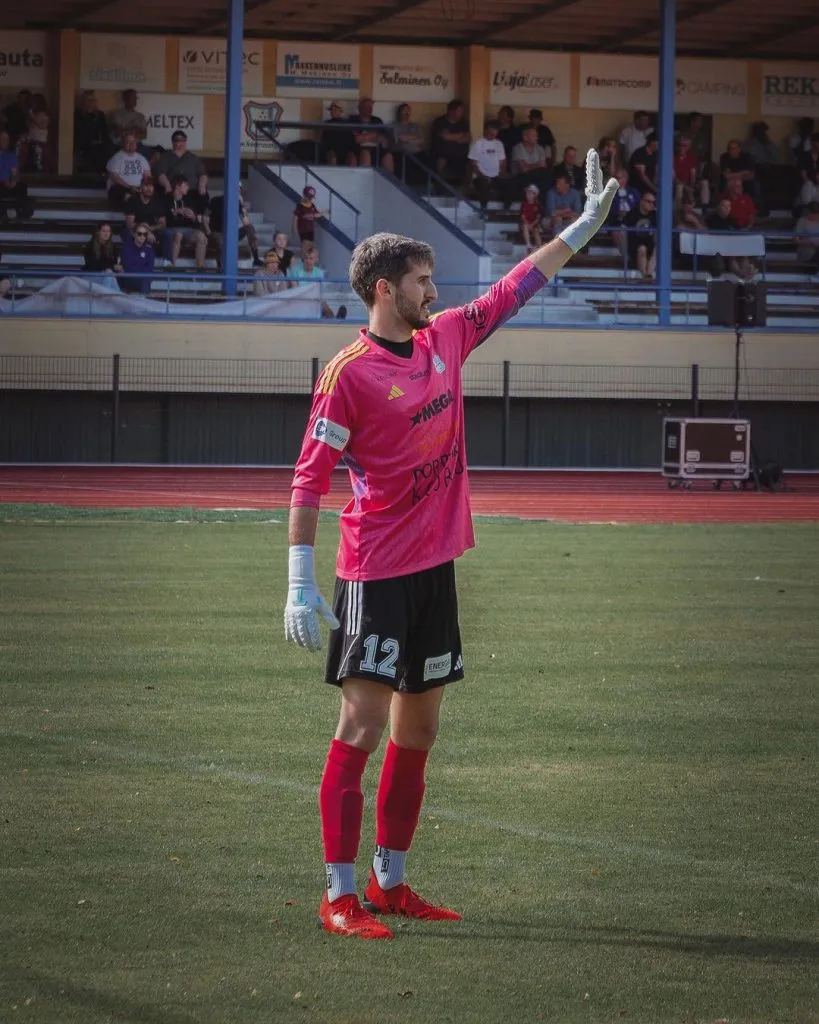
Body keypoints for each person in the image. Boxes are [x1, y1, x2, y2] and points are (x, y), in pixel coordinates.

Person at [283, 149, 618, 941]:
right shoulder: (349, 373)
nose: (437, 294)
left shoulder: (448, 339)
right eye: (423, 283)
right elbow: (307, 480)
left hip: (435, 570)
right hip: (373, 572)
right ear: (383, 290)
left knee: (418, 732)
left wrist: (580, 228)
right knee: (359, 729)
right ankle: (337, 897)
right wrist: (300, 581)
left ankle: (390, 882)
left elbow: (516, 285)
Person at [205, 185, 262, 267]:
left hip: (231, 234)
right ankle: (220, 266)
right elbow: (205, 216)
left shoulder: (237, 203)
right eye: (236, 191)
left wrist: (242, 206)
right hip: (217, 232)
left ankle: (256, 259)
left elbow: (246, 223)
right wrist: (208, 233)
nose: (238, 193)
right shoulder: (215, 200)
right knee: (221, 241)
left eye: (239, 191)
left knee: (250, 228)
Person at [162, 175, 207, 268]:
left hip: (188, 230)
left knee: (202, 237)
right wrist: (176, 212)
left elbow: (196, 225)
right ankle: (171, 267)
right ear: (178, 186)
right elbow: (163, 221)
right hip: (172, 230)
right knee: (178, 235)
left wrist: (193, 217)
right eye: (185, 185)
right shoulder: (166, 199)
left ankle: (200, 268)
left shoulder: (189, 200)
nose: (188, 187)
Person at [289, 245, 346, 319]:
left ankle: (336, 320)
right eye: (306, 258)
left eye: (311, 258)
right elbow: (295, 289)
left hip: (314, 298)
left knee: (324, 304)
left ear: (316, 260)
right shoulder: (295, 270)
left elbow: (320, 290)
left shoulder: (319, 272)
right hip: (300, 299)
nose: (308, 261)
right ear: (303, 259)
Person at [467, 119, 507, 212]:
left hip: (495, 176)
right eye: (490, 130)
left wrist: (502, 173)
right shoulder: (478, 143)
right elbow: (473, 164)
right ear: (485, 130)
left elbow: (503, 162)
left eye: (495, 130)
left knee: (510, 183)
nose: (492, 133)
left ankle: (506, 208)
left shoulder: (499, 144)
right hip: (480, 176)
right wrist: (482, 175)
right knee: (484, 185)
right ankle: (483, 209)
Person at [106, 132, 151, 208]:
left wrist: (144, 187)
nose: (131, 144)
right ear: (123, 143)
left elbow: (148, 176)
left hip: (139, 189)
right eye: (128, 142)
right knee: (118, 190)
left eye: (133, 142)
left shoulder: (141, 159)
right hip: (123, 188)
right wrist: (130, 187)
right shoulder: (116, 158)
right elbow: (115, 177)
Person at [430, 100, 470, 181]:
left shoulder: (463, 122)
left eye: (462, 111)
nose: (461, 113)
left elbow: (467, 138)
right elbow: (445, 137)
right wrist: (460, 137)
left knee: (471, 161)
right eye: (459, 111)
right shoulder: (440, 121)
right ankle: (439, 184)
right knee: (441, 159)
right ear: (451, 111)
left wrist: (452, 137)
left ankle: (465, 189)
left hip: (460, 154)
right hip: (443, 153)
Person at [74, 91, 109, 175]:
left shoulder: (100, 115)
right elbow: (79, 131)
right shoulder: (77, 115)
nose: (91, 102)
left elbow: (104, 131)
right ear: (82, 102)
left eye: (93, 100)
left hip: (97, 144)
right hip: (83, 144)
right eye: (88, 100)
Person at [623, 191, 657, 279]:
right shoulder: (632, 214)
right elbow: (622, 228)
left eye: (653, 202)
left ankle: (647, 275)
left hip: (650, 243)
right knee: (642, 248)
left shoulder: (655, 215)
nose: (651, 204)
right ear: (642, 201)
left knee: (659, 249)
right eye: (649, 202)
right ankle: (646, 276)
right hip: (635, 245)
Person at [0, 130, 32, 222]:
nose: (4, 141)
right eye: (2, 139)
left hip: (8, 183)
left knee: (22, 187)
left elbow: (14, 172)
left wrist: (12, 183)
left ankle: (20, 212)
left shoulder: (11, 155)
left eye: (6, 139)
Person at [119, 222, 156, 294]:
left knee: (146, 279)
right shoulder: (126, 249)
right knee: (145, 279)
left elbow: (149, 269)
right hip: (128, 278)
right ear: (134, 234)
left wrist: (137, 268)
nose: (142, 236)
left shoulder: (149, 250)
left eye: (145, 234)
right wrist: (141, 268)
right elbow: (127, 267)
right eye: (139, 234)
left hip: (142, 279)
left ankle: (143, 303)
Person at [83, 222, 122, 289]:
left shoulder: (112, 246)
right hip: (92, 276)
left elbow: (114, 263)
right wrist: (109, 267)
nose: (106, 234)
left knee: (110, 275)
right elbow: (92, 264)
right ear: (98, 232)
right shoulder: (90, 246)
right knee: (109, 274)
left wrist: (118, 267)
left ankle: (108, 295)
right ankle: (117, 296)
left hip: (107, 277)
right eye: (104, 231)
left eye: (108, 231)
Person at [292, 186, 329, 253]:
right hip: (303, 229)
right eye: (308, 197)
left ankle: (308, 258)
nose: (310, 199)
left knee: (311, 245)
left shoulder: (312, 205)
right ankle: (303, 258)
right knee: (305, 244)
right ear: (304, 195)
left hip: (310, 230)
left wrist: (324, 213)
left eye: (311, 197)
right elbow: (295, 218)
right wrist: (294, 230)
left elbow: (316, 214)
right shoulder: (300, 206)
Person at [321, 102, 353, 166]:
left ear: (341, 111)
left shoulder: (347, 123)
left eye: (335, 110)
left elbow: (349, 139)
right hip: (331, 149)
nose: (332, 111)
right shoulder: (326, 123)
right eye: (331, 110)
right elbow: (324, 139)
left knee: (351, 157)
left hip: (344, 149)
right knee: (332, 156)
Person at [795, 201, 819, 274]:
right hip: (807, 250)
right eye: (812, 213)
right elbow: (795, 239)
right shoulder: (802, 221)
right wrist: (809, 243)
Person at [519, 184, 543, 252]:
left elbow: (538, 217)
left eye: (530, 193)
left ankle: (539, 246)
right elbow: (522, 216)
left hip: (534, 223)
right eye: (527, 193)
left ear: (535, 195)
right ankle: (528, 244)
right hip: (526, 223)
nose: (528, 195)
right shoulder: (524, 204)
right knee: (525, 226)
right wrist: (527, 223)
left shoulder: (538, 205)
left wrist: (532, 224)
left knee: (536, 231)